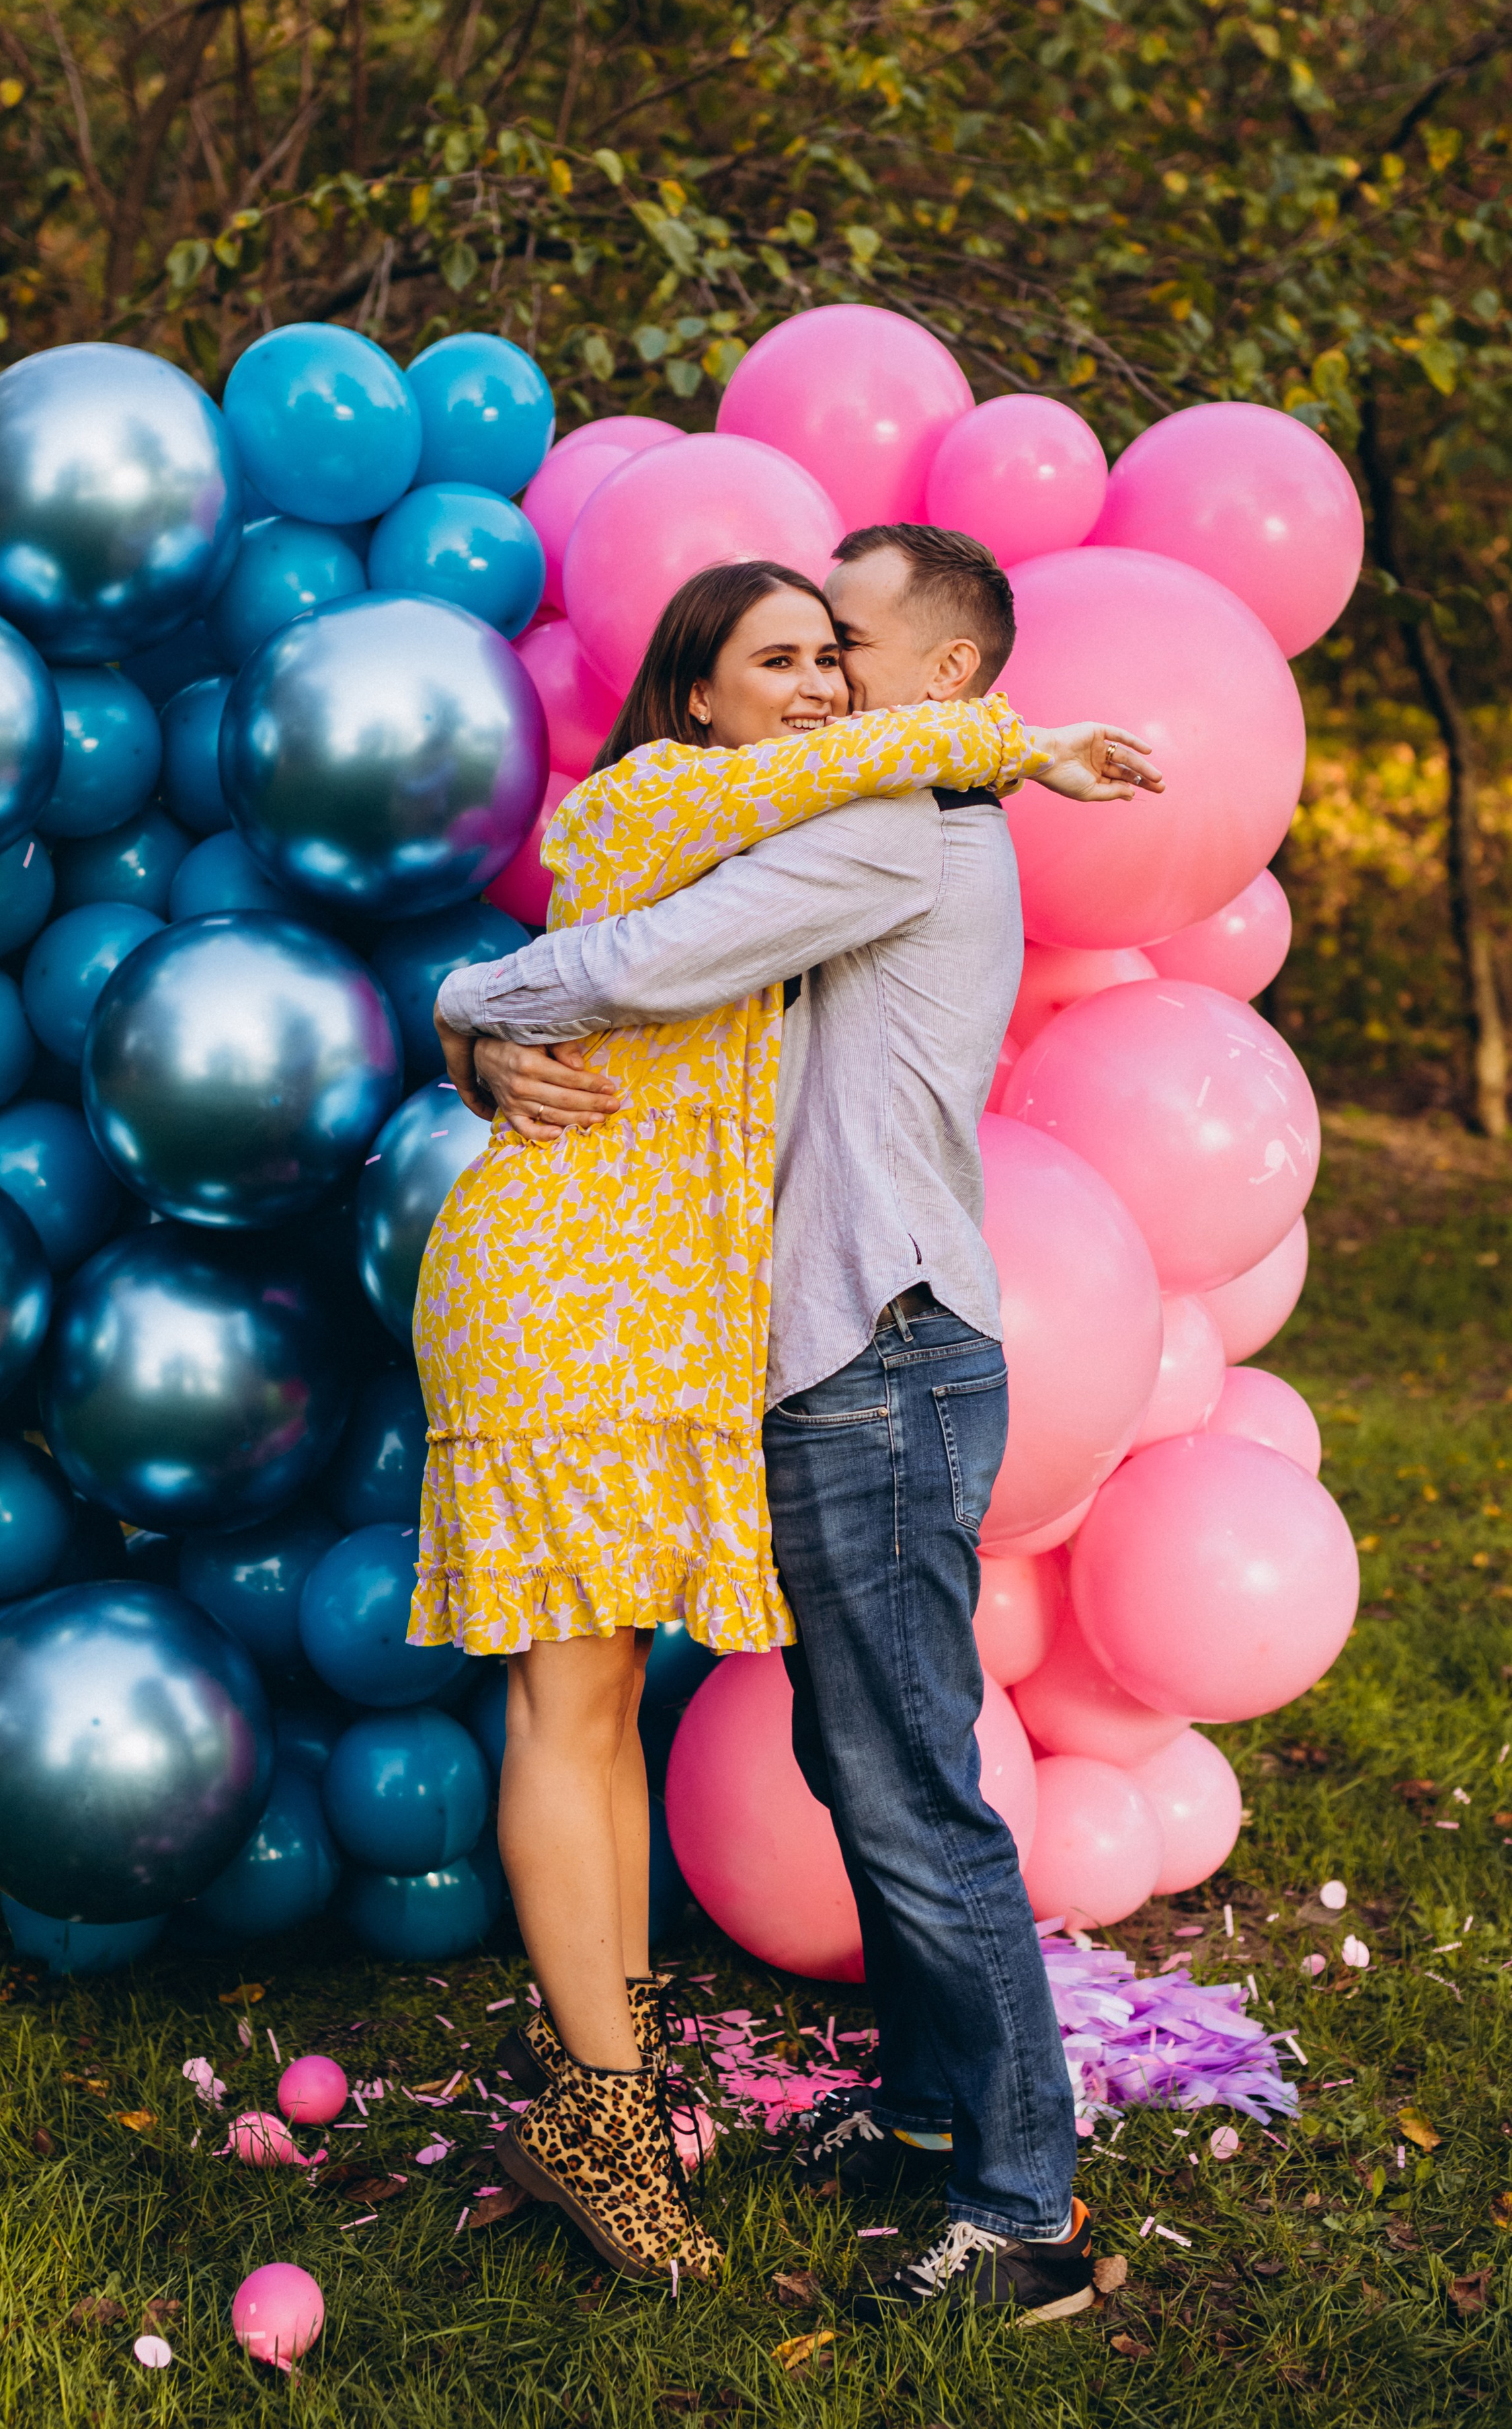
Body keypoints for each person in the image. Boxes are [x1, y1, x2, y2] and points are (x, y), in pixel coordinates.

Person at [435, 526, 1160, 2321]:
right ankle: (930, 2115)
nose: (829, 678)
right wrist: (481, 1053)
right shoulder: (822, 801)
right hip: (846, 1358)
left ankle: (1017, 2213)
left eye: (849, 644)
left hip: (883, 1357)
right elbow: (632, 909)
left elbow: (654, 956)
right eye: (797, 650)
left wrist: (460, 1005)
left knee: (907, 1784)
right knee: (872, 1762)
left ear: (942, 678)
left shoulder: (890, 823)